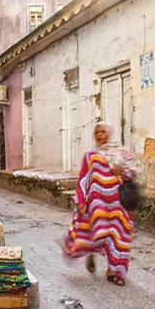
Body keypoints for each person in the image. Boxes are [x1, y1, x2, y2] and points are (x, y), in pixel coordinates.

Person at [63, 122, 135, 286]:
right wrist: (80, 201)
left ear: (109, 133)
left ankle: (115, 271)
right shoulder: (90, 154)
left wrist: (122, 170)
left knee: (118, 236)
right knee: (99, 233)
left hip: (118, 203)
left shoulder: (122, 152)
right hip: (97, 203)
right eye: (97, 132)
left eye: (103, 131)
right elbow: (82, 179)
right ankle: (92, 252)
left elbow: (132, 173)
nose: (99, 135)